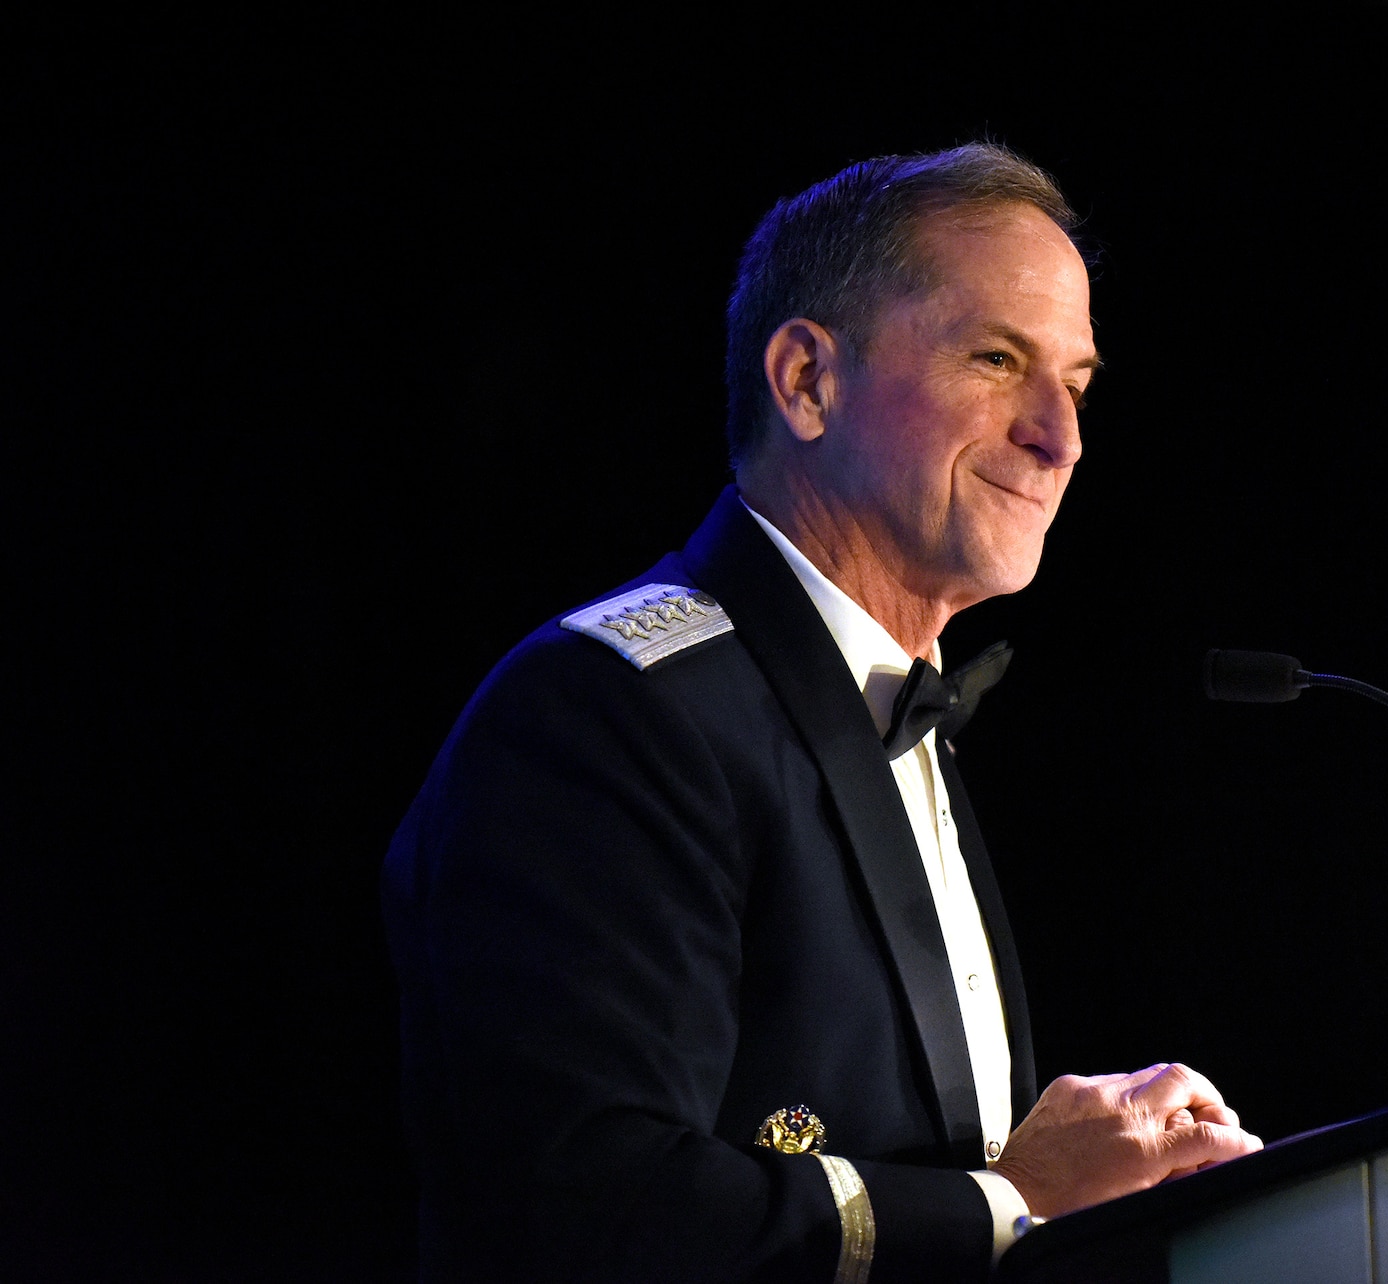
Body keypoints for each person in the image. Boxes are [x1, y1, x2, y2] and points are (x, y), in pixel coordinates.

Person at [382, 143, 1262, 1284]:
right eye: (998, 360)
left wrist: (1100, 1181)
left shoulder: (896, 702)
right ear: (805, 381)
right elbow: (584, 1208)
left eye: (1077, 384)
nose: (1061, 436)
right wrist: (1015, 1198)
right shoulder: (606, 710)